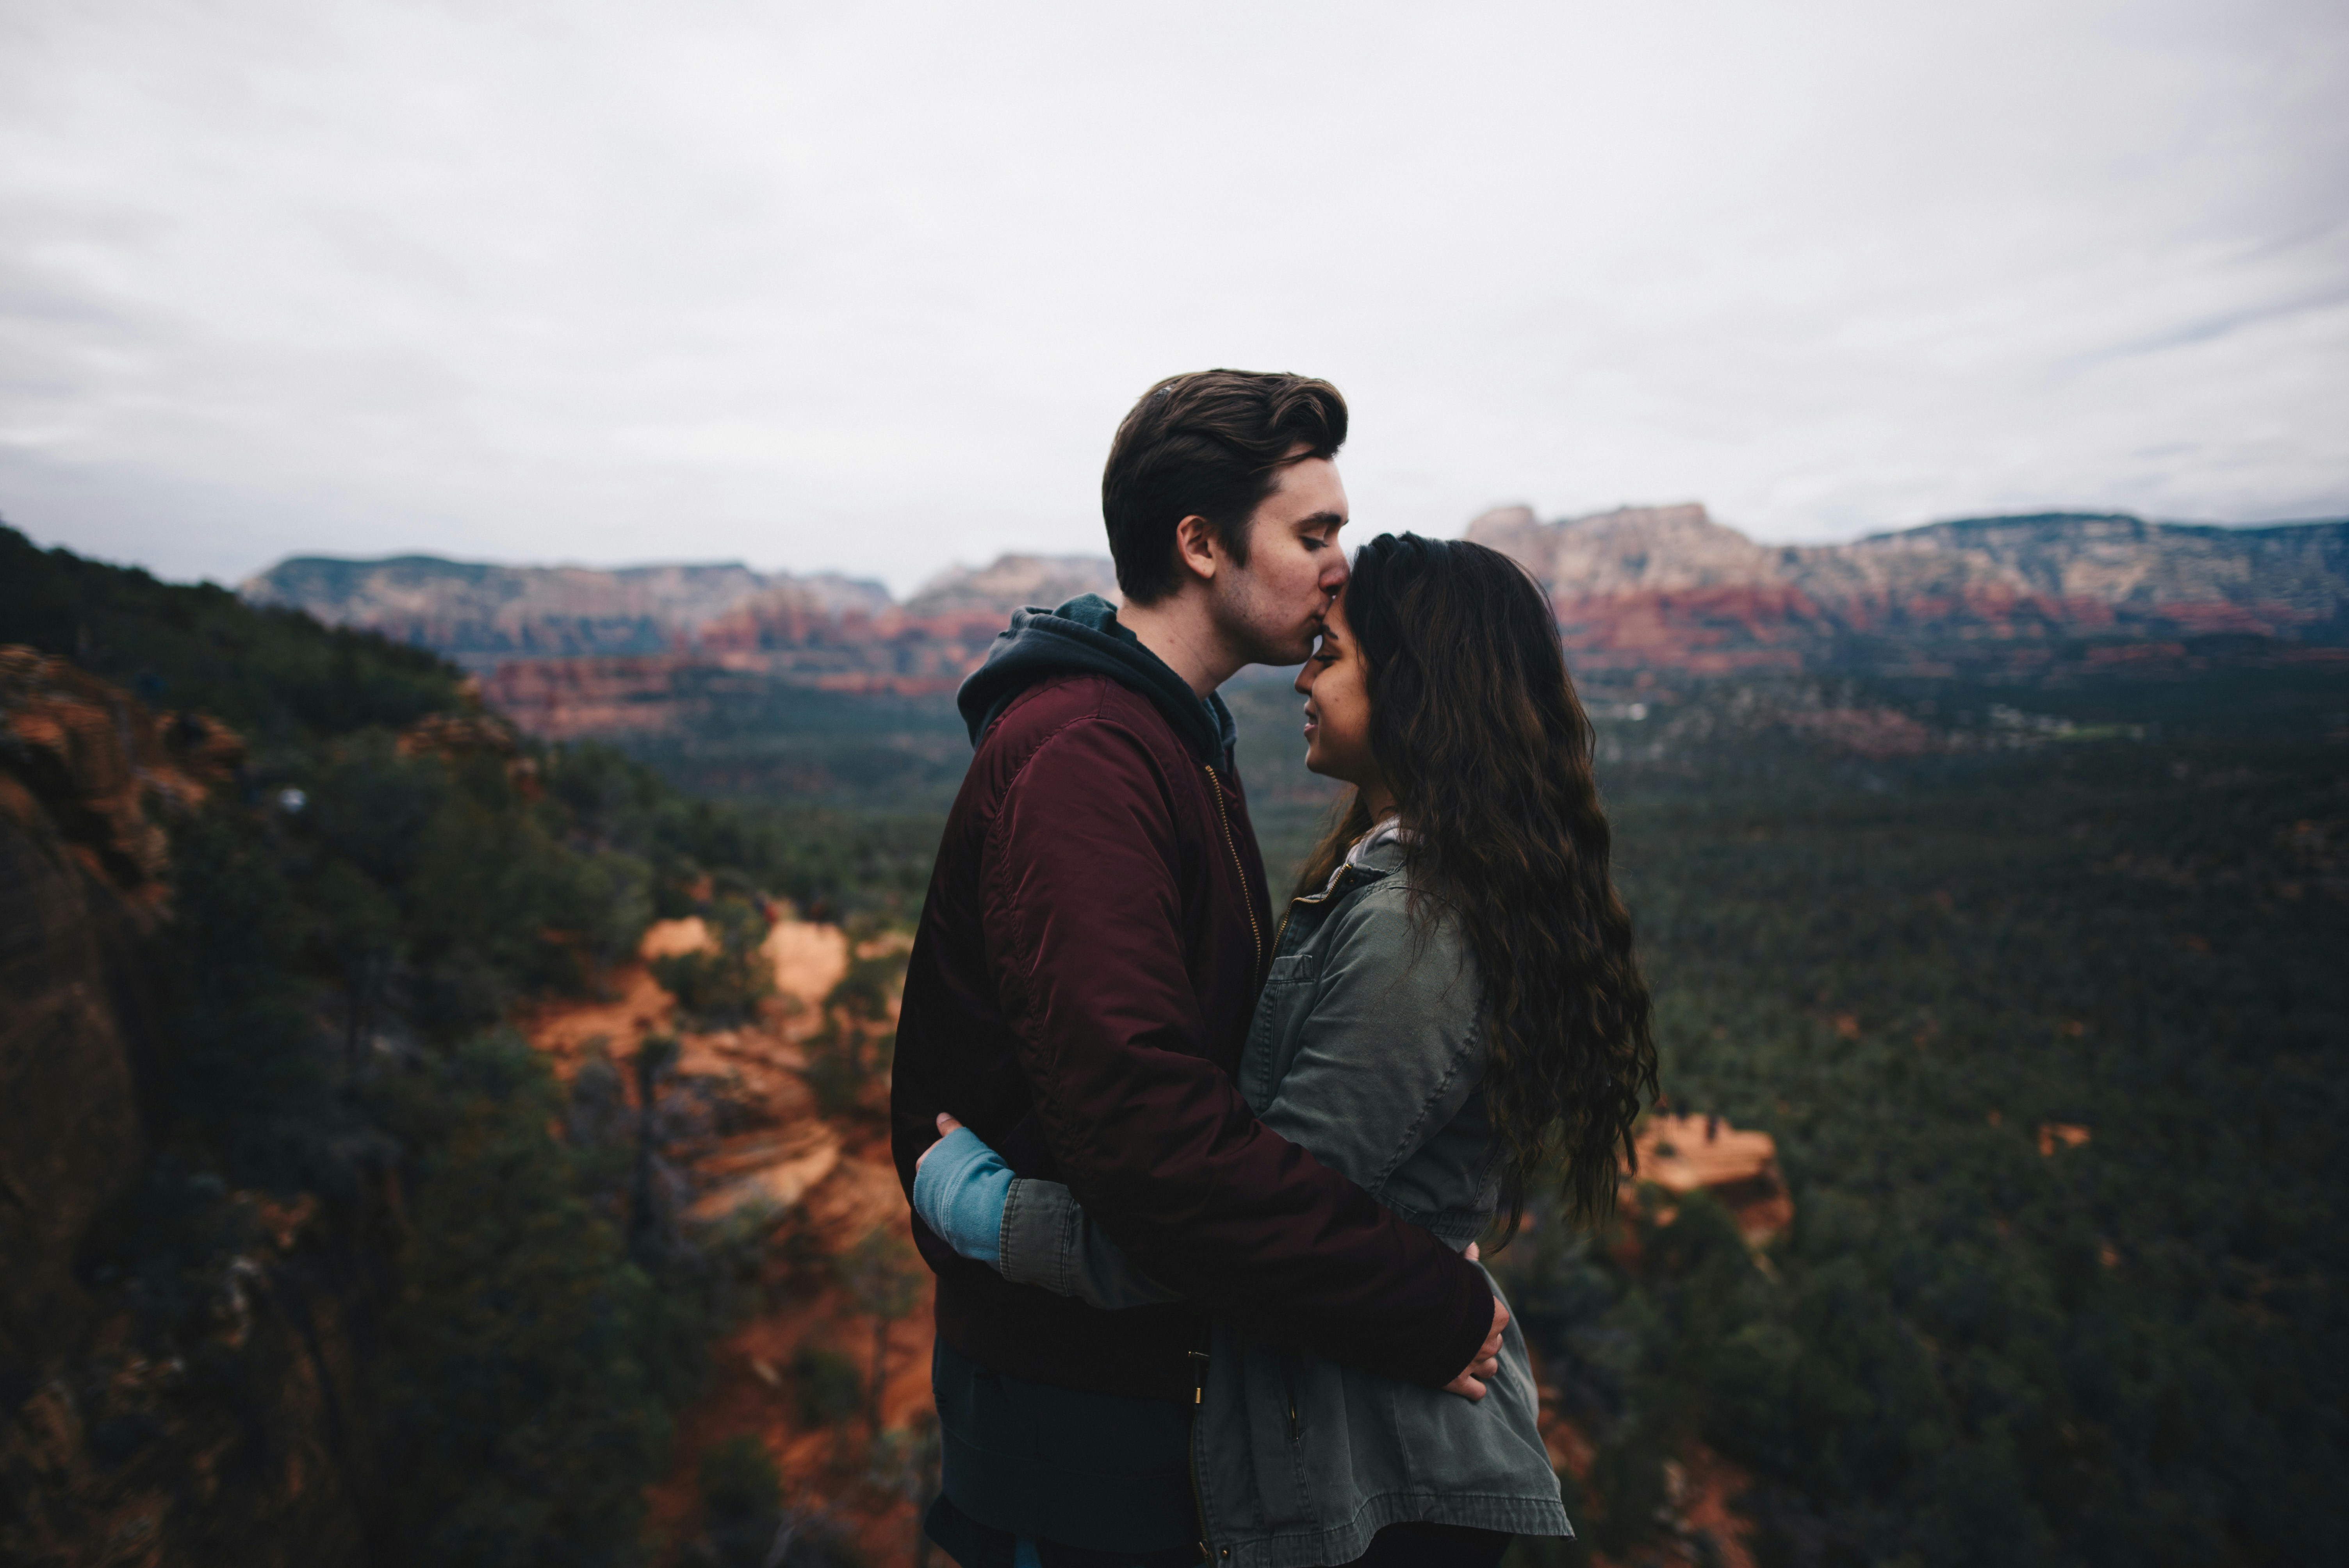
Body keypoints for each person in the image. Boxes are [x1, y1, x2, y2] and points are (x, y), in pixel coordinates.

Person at [918, 533, 1657, 1566]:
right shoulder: (1402, 882)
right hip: (1366, 1447)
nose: (1302, 676)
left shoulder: (1416, 924)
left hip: (1388, 1482)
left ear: (1418, 690)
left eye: (1333, 653)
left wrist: (988, 1212)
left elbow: (1246, 1226)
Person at [891, 374, 1511, 1568]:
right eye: (1312, 532)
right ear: (1200, 544)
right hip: (1076, 1434)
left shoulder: (1171, 734)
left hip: (1140, 1405)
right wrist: (1428, 1299)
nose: (1343, 565)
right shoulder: (1087, 753)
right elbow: (1155, 1140)